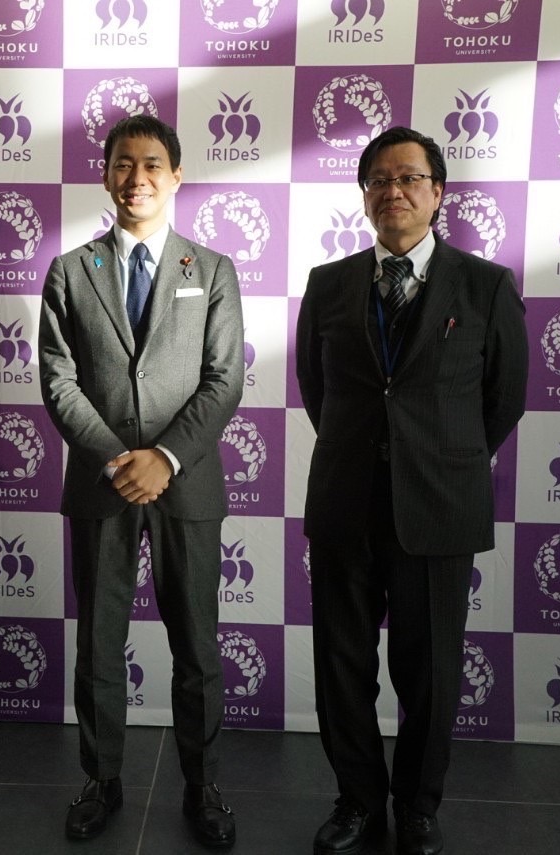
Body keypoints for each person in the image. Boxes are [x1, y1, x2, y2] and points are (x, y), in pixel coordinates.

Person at [295, 126, 528, 855]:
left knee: (430, 673)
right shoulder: (329, 284)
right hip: (346, 502)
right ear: (364, 195)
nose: (392, 191)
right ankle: (357, 801)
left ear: (437, 193)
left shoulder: (485, 284)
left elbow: (505, 398)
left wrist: (443, 458)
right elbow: (316, 387)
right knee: (342, 667)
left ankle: (418, 808)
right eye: (378, 180)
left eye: (408, 178)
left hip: (439, 505)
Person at [38, 115, 244, 849]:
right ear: (106, 175)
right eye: (123, 163)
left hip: (187, 485)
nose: (137, 178)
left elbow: (224, 380)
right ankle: (102, 780)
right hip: (103, 486)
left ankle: (202, 784)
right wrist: (115, 457)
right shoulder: (71, 270)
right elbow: (58, 380)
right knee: (100, 644)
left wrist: (165, 458)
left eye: (152, 164)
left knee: (198, 646)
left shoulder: (211, 269)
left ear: (176, 176)